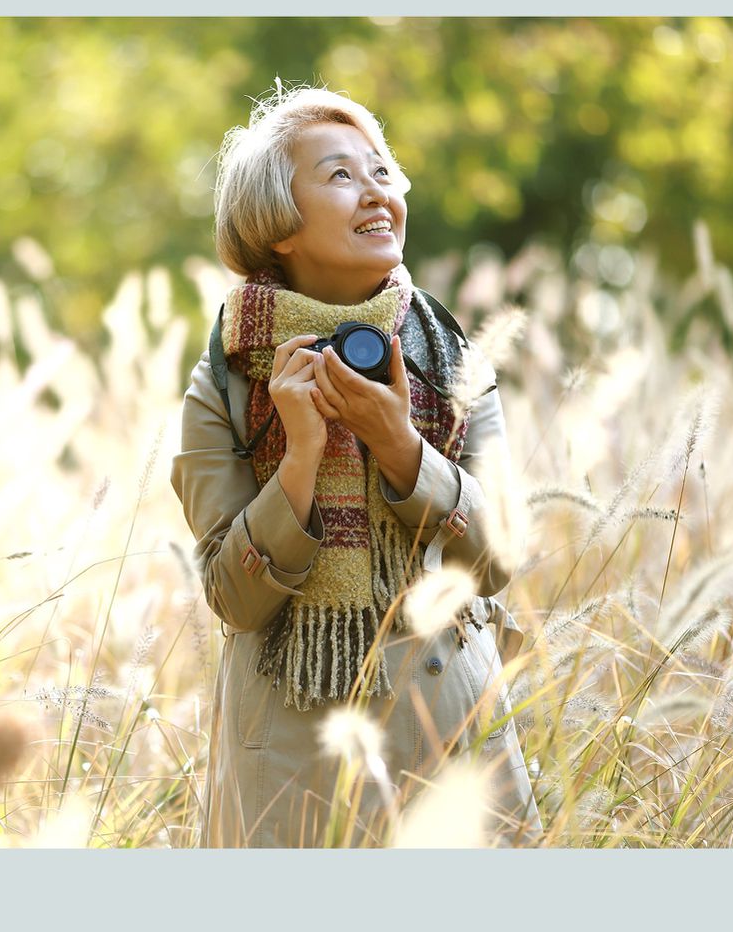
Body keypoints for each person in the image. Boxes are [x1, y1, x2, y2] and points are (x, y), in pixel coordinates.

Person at [170, 85, 542, 848]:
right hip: (288, 770)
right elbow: (232, 599)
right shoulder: (228, 379)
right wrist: (301, 459)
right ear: (277, 224)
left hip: (451, 748)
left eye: (381, 171)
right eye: (340, 175)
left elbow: (501, 554)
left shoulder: (454, 362)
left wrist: (400, 446)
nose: (376, 191)